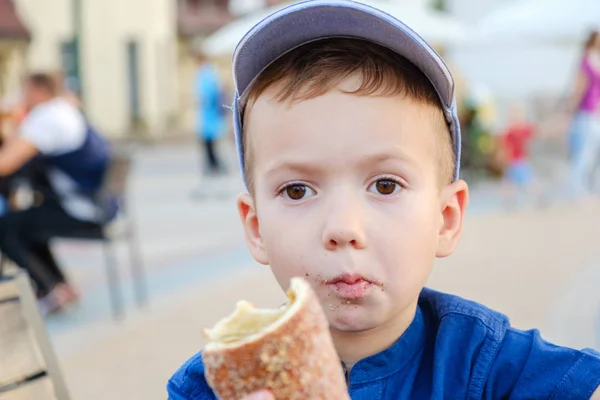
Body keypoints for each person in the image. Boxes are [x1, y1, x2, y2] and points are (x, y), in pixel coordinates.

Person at [167, 1, 600, 399]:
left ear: (445, 219)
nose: (343, 228)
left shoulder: (494, 369)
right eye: (297, 190)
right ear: (256, 227)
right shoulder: (214, 385)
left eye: (385, 185)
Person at [0, 73, 115, 315]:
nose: (21, 98)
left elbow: (6, 163)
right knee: (24, 224)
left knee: (6, 228)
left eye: (25, 91)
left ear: (39, 92)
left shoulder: (47, 118)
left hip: (81, 208)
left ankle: (50, 290)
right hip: (95, 203)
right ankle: (59, 286)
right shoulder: (63, 109)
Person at [567, 30, 600, 199]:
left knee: (594, 153)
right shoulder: (586, 61)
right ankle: (578, 189)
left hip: (596, 113)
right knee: (584, 153)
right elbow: (579, 87)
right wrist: (570, 106)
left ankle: (592, 186)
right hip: (587, 113)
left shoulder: (596, 60)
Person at [194, 52, 227, 178]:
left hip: (209, 114)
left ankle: (215, 166)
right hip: (210, 115)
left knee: (209, 143)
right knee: (210, 143)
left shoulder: (205, 75)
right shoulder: (211, 73)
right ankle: (214, 166)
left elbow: (206, 96)